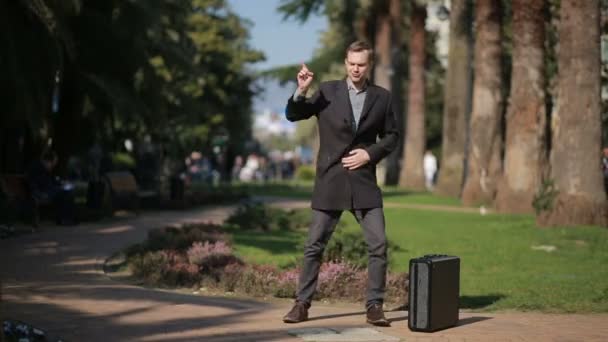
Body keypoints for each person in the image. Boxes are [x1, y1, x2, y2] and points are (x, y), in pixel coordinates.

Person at [282, 41, 399, 326]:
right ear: (345, 63)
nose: (356, 69)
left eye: (361, 64)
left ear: (368, 65)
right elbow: (294, 114)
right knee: (314, 245)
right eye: (351, 63)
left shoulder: (382, 97)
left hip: (363, 183)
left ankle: (374, 306)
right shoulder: (328, 91)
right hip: (330, 180)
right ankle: (301, 304)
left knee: (379, 245)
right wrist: (302, 90)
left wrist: (369, 154)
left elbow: (392, 136)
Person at [27, 149, 77, 225]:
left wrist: (61, 183)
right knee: (66, 193)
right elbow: (41, 184)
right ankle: (65, 219)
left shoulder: (43, 168)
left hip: (47, 191)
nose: (53, 166)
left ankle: (65, 219)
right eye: (53, 163)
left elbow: (51, 181)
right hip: (42, 193)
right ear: (47, 161)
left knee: (67, 192)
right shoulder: (37, 168)